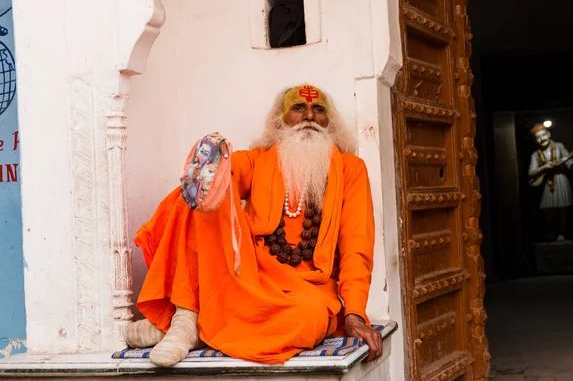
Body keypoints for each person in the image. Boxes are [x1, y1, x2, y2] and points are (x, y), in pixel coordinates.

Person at [125, 84, 383, 367]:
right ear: (279, 121)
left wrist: (354, 314)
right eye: (298, 108)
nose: (309, 116)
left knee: (308, 320)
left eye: (318, 109)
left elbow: (357, 245)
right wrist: (214, 158)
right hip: (250, 280)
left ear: (329, 122)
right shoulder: (258, 160)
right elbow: (230, 171)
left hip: (309, 294)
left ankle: (200, 331)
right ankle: (186, 317)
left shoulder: (350, 168)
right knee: (205, 191)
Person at [528, 124, 573, 242]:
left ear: (549, 134)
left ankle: (561, 233)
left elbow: (569, 161)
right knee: (548, 211)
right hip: (547, 183)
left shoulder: (559, 146)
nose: (542, 139)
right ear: (535, 140)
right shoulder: (535, 154)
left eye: (544, 135)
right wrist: (544, 168)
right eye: (538, 137)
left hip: (560, 180)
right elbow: (531, 173)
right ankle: (550, 233)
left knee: (562, 209)